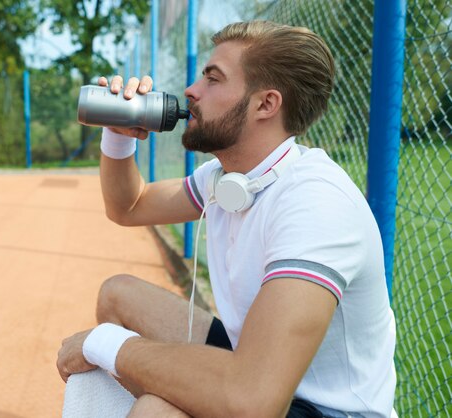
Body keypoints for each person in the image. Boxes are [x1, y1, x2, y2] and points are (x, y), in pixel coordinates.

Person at [57, 20, 396, 418]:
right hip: (253, 369)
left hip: (324, 410)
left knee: (156, 412)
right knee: (118, 294)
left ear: (266, 105)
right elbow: (129, 206)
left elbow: (252, 401)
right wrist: (118, 134)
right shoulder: (229, 179)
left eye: (213, 80)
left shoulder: (316, 203)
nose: (191, 91)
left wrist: (104, 345)